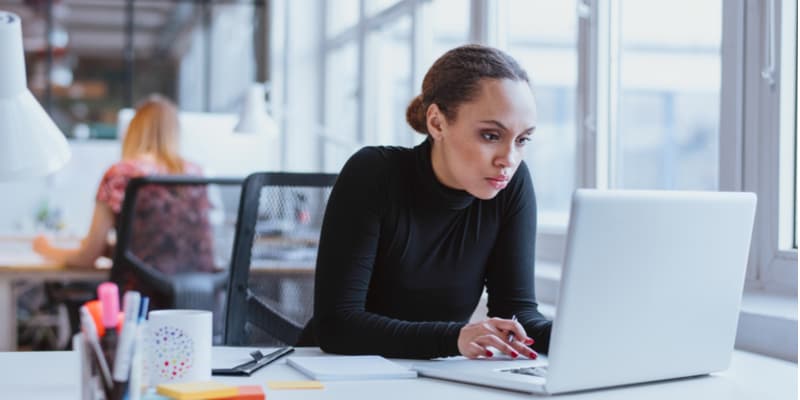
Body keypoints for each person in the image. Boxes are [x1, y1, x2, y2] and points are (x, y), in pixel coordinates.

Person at [308, 44, 552, 360]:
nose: (509, 159)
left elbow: (517, 314)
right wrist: (454, 339)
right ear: (437, 123)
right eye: (491, 136)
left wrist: (586, 335)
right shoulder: (373, 173)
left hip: (430, 377)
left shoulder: (512, 185)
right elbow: (337, 326)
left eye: (522, 140)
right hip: (337, 374)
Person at [33, 95, 213, 282]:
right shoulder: (195, 174)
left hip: (141, 299)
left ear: (134, 130)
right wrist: (114, 250)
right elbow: (171, 249)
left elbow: (87, 257)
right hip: (200, 299)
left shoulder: (121, 174)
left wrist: (46, 249)